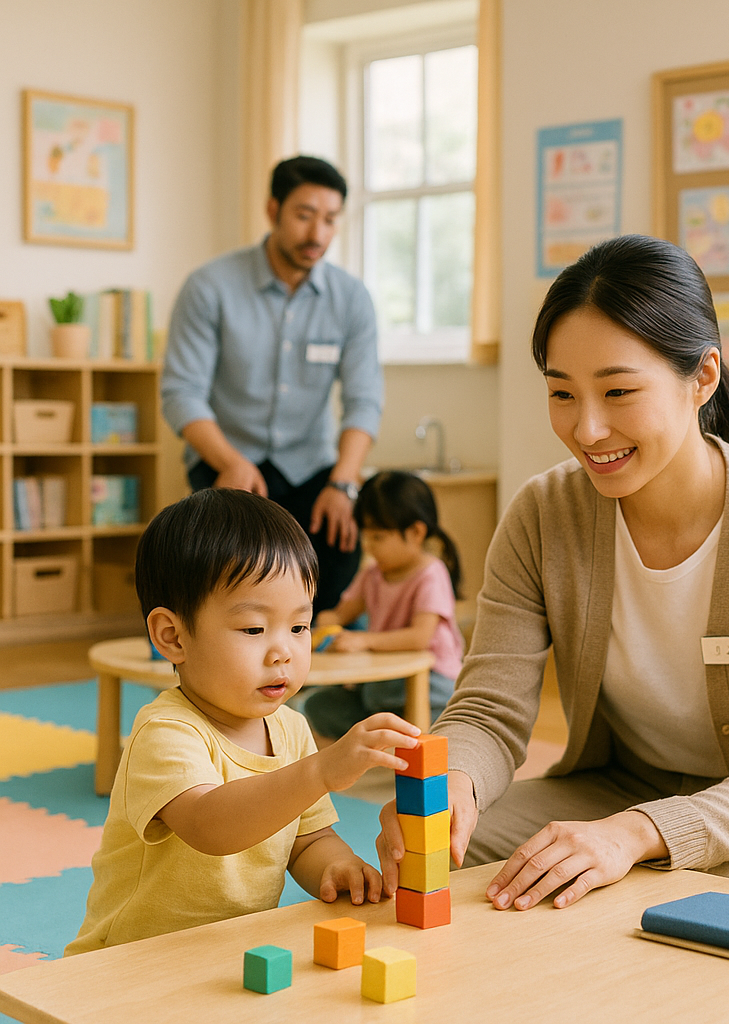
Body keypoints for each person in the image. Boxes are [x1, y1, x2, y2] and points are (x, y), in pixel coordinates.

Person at [376, 234, 729, 917]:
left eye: (619, 391)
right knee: (452, 854)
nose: (588, 428)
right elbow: (488, 708)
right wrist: (452, 783)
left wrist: (631, 836)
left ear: (703, 377)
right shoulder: (542, 515)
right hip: (630, 787)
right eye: (562, 393)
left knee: (702, 912)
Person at [65, 488, 419, 955]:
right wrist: (320, 771)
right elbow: (211, 825)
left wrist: (336, 865)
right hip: (128, 963)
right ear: (173, 637)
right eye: (254, 629)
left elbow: (306, 839)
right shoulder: (166, 732)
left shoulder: (291, 729)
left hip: (230, 957)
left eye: (299, 626)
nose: (283, 651)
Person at [161, 155, 382, 615]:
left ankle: (313, 653)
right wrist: (230, 463)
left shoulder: (351, 299)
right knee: (230, 586)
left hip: (310, 466)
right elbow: (182, 393)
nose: (317, 234)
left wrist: (344, 483)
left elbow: (364, 400)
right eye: (304, 215)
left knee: (337, 560)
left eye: (330, 220)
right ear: (272, 210)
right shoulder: (209, 287)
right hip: (227, 460)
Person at [304, 471, 464, 744]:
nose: (368, 546)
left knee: (378, 692)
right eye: (365, 536)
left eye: (378, 537)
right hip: (382, 682)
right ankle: (388, 731)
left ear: (415, 532)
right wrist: (320, 626)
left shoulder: (431, 573)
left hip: (430, 680)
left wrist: (363, 641)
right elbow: (340, 614)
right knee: (316, 706)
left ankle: (413, 727)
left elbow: (419, 637)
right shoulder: (372, 575)